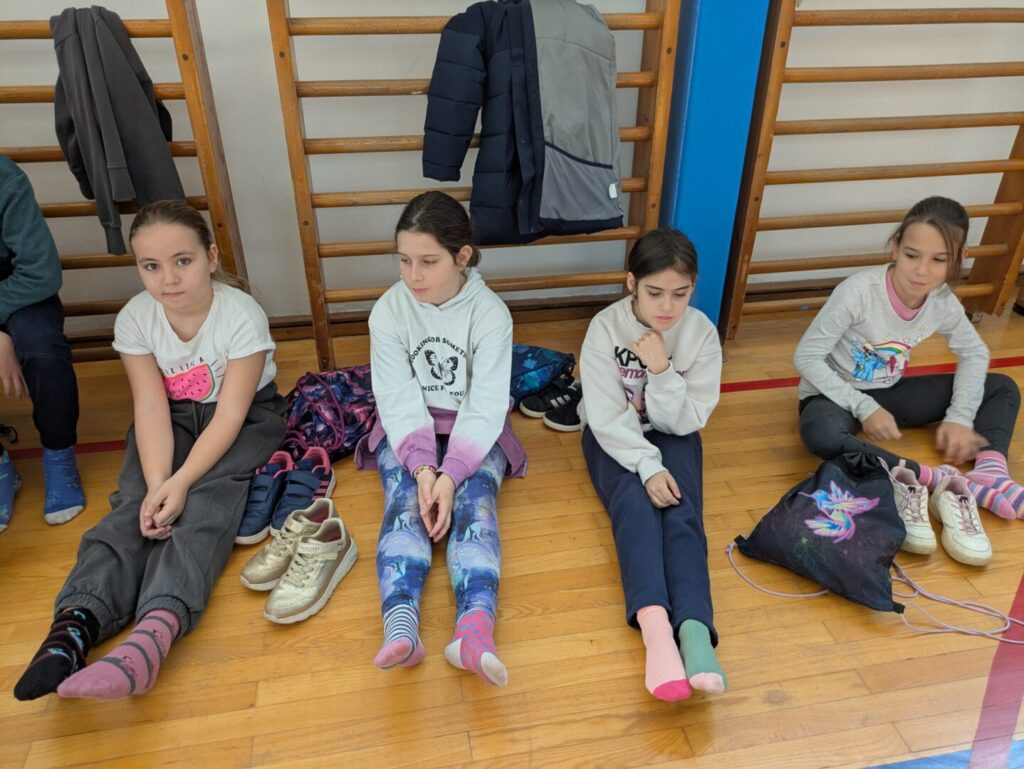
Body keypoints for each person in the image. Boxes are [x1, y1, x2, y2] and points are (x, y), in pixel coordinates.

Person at [13, 200, 285, 700]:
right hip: (171, 417)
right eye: (151, 266)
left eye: (183, 261)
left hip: (244, 417)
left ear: (211, 257)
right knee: (134, 506)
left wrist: (181, 483)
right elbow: (151, 406)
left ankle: (152, 634)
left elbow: (229, 415)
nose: (169, 279)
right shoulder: (135, 319)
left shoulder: (241, 314)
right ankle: (75, 624)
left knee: (203, 507)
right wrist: (159, 484)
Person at [354, 191, 526, 686]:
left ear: (462, 256)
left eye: (428, 261)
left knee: (476, 509)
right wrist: (425, 469)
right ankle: (401, 626)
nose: (413, 275)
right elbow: (397, 397)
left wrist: (451, 476)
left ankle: (474, 631)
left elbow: (485, 404)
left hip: (475, 430)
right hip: (410, 431)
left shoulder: (490, 314)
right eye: (404, 260)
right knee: (406, 504)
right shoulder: (389, 310)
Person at [793, 196, 1021, 566]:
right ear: (895, 247)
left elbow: (975, 353)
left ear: (957, 259)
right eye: (912, 255)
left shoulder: (942, 301)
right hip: (833, 395)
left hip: (891, 392)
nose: (921, 271)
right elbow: (805, 357)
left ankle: (992, 471)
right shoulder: (858, 292)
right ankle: (933, 479)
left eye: (939, 260)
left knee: (1001, 387)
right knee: (820, 435)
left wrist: (960, 417)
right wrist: (864, 406)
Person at [580, 228, 725, 702]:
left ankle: (695, 630)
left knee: (682, 512)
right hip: (613, 435)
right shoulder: (604, 327)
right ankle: (656, 629)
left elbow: (688, 419)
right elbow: (605, 416)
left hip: (674, 432)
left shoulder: (701, 333)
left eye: (680, 294)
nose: (667, 306)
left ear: (693, 288)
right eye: (655, 292)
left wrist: (661, 371)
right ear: (631, 284)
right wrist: (646, 466)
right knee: (636, 509)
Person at [0, 153, 84, 532]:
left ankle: (59, 456)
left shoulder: (4, 175)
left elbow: (41, 272)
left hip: (21, 289)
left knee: (42, 349)